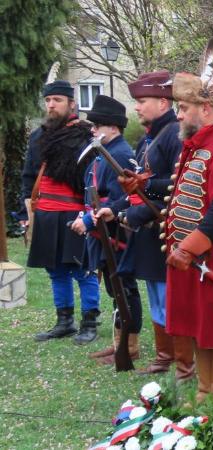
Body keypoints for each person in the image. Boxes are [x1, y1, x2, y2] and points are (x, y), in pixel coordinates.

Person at [97, 70, 194, 379]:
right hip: (150, 232)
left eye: (142, 101)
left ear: (163, 103)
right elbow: (138, 189)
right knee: (156, 294)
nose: (137, 107)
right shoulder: (149, 138)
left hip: (167, 230)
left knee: (169, 297)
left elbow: (179, 185)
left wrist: (144, 190)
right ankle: (165, 355)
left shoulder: (174, 134)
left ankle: (182, 361)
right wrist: (116, 209)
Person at [165, 69, 213, 404]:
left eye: (183, 107)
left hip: (211, 259)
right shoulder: (195, 146)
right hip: (192, 261)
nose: (178, 115)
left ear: (205, 109)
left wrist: (189, 249)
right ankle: (206, 392)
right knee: (198, 324)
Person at [22, 80, 100, 343]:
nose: (51, 105)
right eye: (48, 100)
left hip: (74, 212)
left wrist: (87, 215)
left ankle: (89, 321)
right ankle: (64, 321)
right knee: (55, 270)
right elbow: (29, 176)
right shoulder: (38, 136)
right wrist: (27, 213)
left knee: (82, 269)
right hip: (45, 212)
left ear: (72, 104)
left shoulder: (85, 136)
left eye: (57, 100)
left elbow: (92, 179)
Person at [70, 95, 141, 350]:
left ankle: (129, 345)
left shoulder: (119, 154)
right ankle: (120, 342)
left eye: (98, 125)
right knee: (115, 288)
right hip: (103, 232)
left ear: (113, 127)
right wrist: (84, 215)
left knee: (124, 288)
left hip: (115, 232)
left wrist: (89, 220)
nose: (93, 130)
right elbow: (94, 192)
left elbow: (120, 199)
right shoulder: (105, 152)